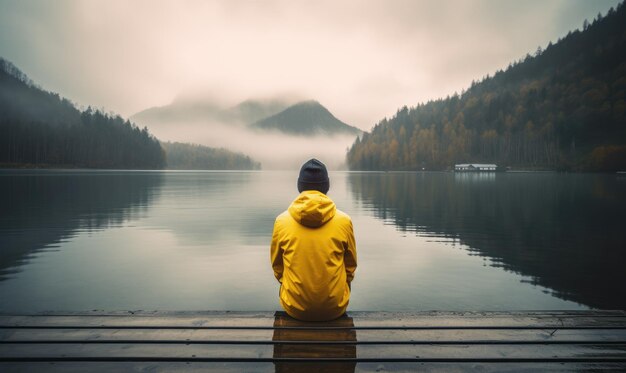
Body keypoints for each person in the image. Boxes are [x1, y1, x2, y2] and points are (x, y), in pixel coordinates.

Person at [270, 158, 357, 321]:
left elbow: (277, 267)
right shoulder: (344, 221)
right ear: (327, 186)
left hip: (294, 309)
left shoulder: (281, 221)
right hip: (335, 309)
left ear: (299, 186)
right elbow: (350, 267)